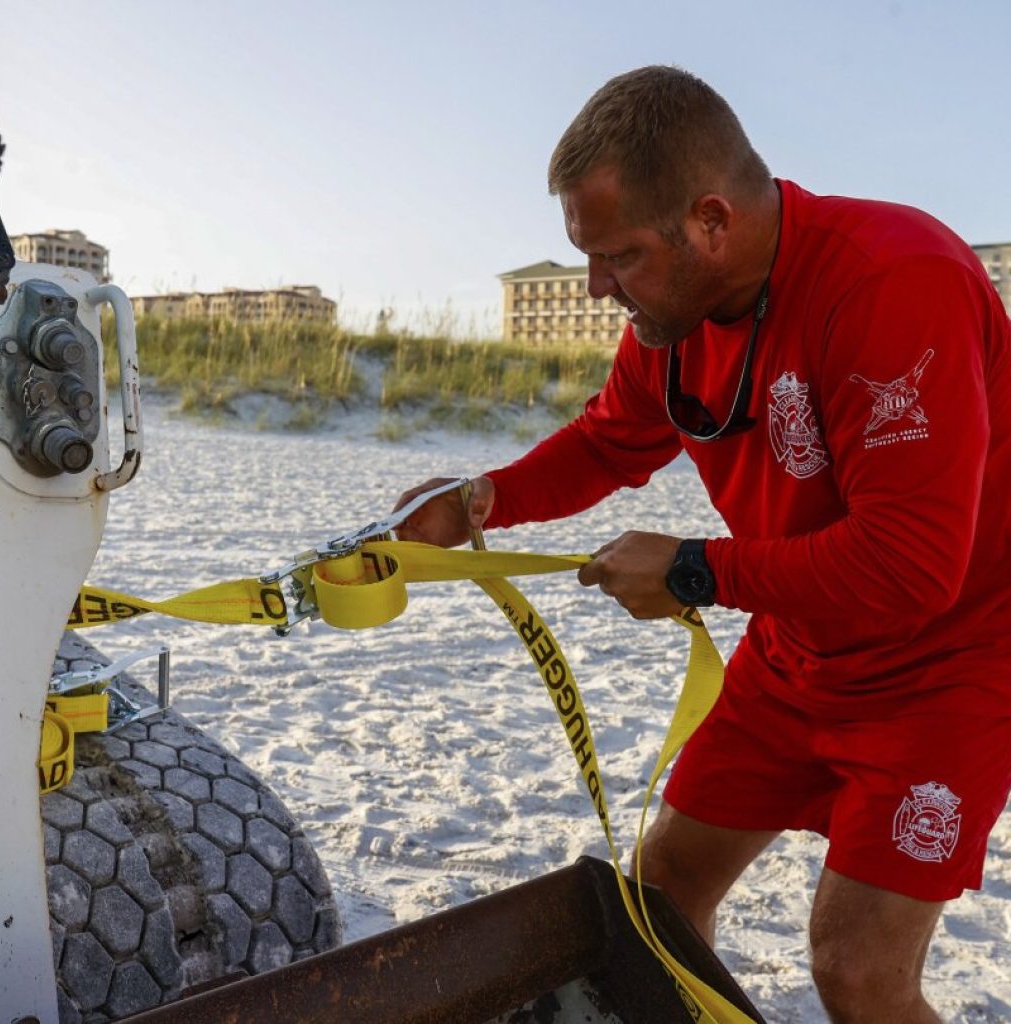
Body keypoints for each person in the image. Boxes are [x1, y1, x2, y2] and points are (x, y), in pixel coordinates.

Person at [394, 66, 1011, 1023]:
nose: (598, 288)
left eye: (620, 257)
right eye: (587, 258)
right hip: (800, 642)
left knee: (855, 970)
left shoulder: (894, 280)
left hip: (948, 665)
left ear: (711, 221)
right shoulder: (669, 319)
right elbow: (608, 439)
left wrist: (694, 568)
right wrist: (480, 501)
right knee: (660, 899)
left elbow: (911, 565)